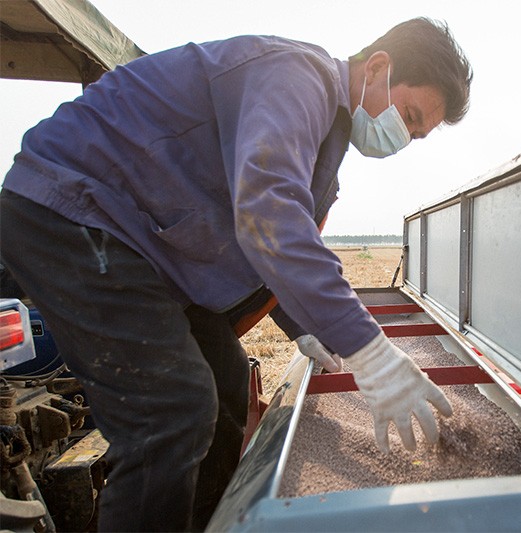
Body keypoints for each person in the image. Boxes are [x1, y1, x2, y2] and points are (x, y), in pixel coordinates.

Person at [0, 16, 472, 532]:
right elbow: (268, 213)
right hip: (74, 209)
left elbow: (282, 243)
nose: (402, 138)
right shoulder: (297, 77)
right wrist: (371, 351)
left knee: (226, 388)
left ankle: (206, 522)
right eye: (408, 115)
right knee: (171, 410)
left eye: (416, 134)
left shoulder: (325, 146)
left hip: (143, 248)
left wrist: (305, 327)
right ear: (379, 66)